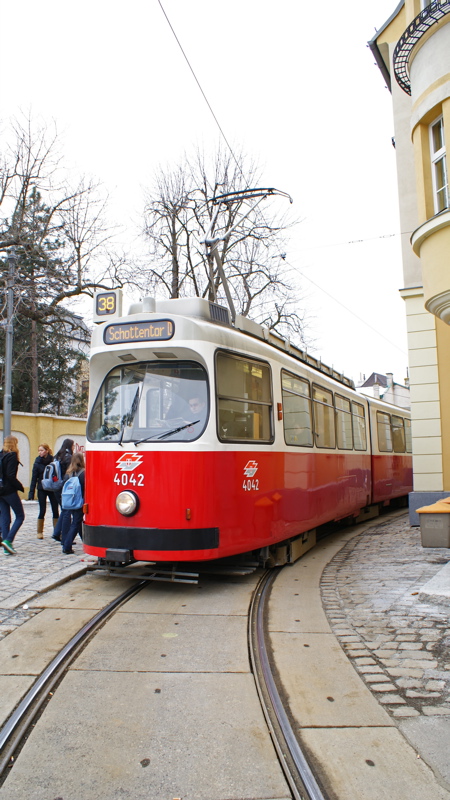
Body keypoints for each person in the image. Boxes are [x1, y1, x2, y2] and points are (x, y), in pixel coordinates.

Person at [28, 443, 59, 539]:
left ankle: (56, 531)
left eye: (41, 450)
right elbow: (34, 478)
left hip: (52, 488)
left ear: (46, 450)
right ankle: (39, 532)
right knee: (42, 509)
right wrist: (31, 492)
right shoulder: (37, 462)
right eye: (39, 450)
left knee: (55, 509)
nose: (40, 452)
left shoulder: (53, 460)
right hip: (41, 488)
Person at [0, 436, 25, 555]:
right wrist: (19, 486)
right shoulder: (12, 456)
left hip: (0, 491)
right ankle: (8, 540)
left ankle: (6, 547)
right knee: (20, 516)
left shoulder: (1, 454)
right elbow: (10, 476)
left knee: (5, 517)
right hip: (9, 490)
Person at [58, 452, 85, 555]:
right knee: (76, 523)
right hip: (79, 502)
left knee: (77, 522)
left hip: (70, 501)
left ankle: (84, 540)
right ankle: (67, 546)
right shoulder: (83, 473)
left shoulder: (68, 473)